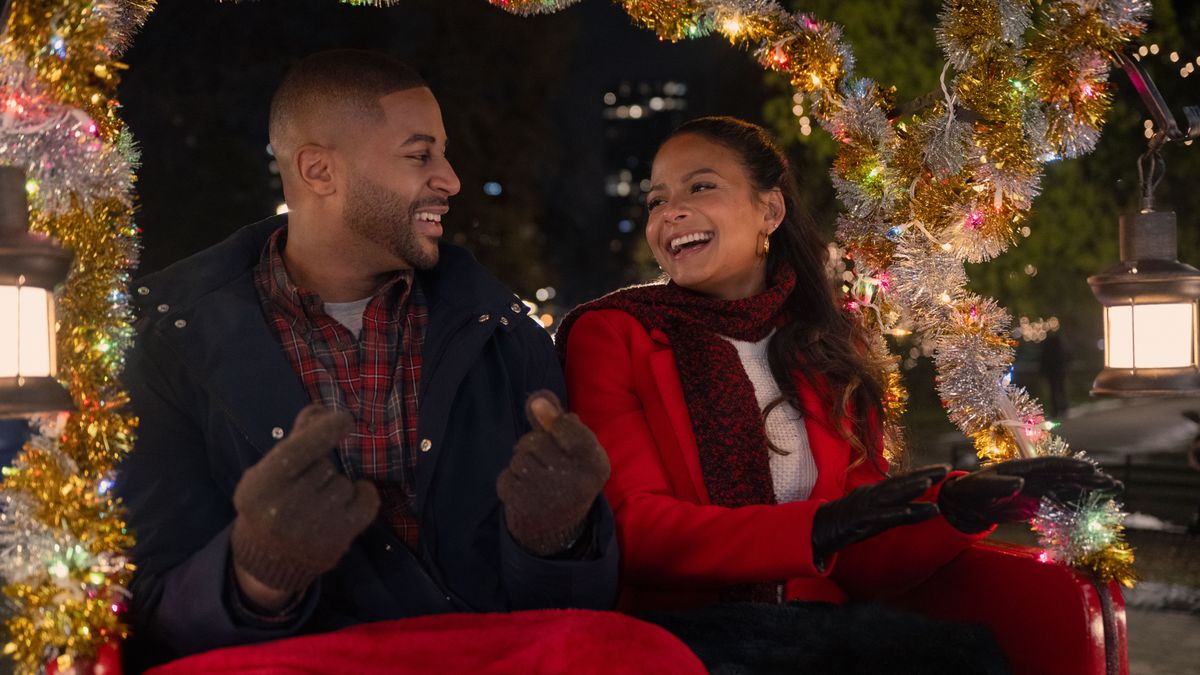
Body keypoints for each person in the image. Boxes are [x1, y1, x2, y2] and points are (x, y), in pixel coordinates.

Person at [556, 116, 1117, 673]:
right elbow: (633, 527)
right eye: (656, 200)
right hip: (679, 637)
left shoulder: (824, 347)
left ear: (769, 211)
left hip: (817, 630)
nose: (670, 211)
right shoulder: (611, 334)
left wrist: (956, 509)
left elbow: (862, 554)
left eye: (700, 187)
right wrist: (814, 528)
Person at [116, 50, 617, 669]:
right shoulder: (167, 344)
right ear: (320, 170)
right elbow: (143, 614)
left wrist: (559, 540)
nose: (451, 179)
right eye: (420, 154)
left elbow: (573, 621)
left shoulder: (505, 335)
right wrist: (257, 572)